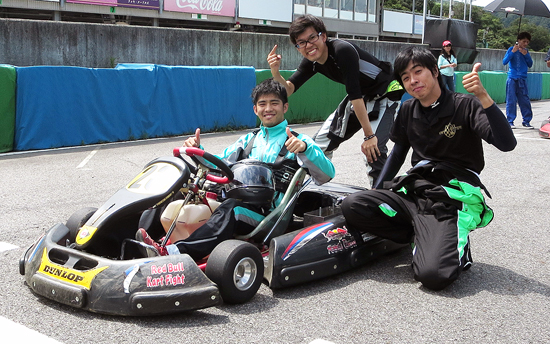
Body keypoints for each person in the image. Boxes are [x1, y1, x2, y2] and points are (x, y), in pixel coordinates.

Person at [340, 46, 517, 290]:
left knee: (433, 275)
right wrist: (377, 191)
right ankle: (421, 234)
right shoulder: (407, 109)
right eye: (405, 77)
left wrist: (484, 99)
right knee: (354, 205)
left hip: (451, 197)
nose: (412, 81)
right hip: (415, 193)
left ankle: (454, 247)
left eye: (418, 72)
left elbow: (507, 144)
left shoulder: (464, 106)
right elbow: (398, 154)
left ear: (435, 71)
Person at [136, 78, 335, 259]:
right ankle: (141, 241)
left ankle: (176, 253)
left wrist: (305, 149)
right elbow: (218, 164)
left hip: (268, 215)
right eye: (262, 104)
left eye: (274, 103)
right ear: (255, 109)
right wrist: (197, 150)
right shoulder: (249, 139)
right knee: (177, 189)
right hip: (236, 197)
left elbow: (327, 174)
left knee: (232, 207)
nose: (268, 108)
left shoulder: (298, 141)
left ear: (285, 107)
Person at [267, 14, 403, 187]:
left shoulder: (342, 50)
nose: (308, 46)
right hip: (360, 97)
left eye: (312, 38)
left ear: (323, 36)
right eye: (301, 43)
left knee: (372, 151)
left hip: (384, 93)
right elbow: (289, 89)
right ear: (298, 47)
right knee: (316, 146)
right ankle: (309, 191)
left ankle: (384, 201)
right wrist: (275, 72)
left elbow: (355, 94)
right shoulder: (312, 62)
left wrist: (369, 136)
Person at [503, 32, 534, 129]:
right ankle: (510, 121)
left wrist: (526, 55)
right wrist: (512, 52)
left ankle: (526, 121)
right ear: (519, 40)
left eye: (527, 42)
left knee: (524, 100)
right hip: (512, 78)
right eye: (524, 41)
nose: (525, 44)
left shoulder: (526, 51)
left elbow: (530, 64)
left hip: (522, 79)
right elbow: (505, 62)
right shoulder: (511, 49)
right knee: (511, 100)